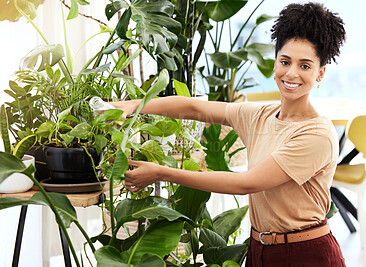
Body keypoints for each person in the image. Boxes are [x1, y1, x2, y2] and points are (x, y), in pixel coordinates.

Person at [111, 2, 347, 266]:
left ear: (320, 73)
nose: (291, 73)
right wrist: (135, 106)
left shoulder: (316, 134)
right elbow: (194, 107)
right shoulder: (260, 115)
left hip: (306, 252)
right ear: (275, 63)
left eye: (305, 66)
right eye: (285, 61)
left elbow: (245, 183)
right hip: (259, 248)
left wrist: (162, 172)